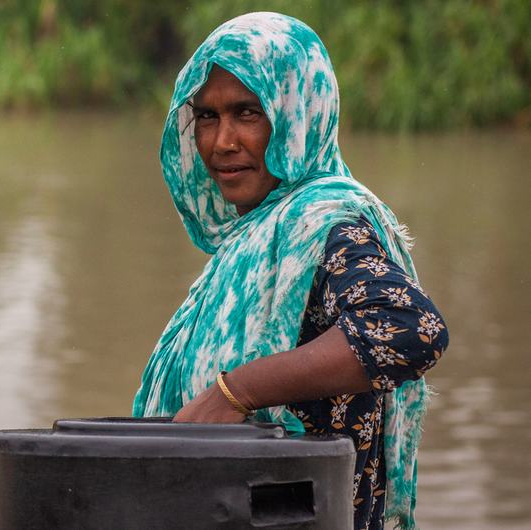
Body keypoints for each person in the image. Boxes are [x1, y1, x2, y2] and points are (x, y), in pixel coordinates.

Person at [131, 13, 448, 530]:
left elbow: (411, 329)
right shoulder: (256, 238)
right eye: (207, 116)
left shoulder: (325, 227)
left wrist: (235, 392)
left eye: (247, 113)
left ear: (299, 114)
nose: (221, 142)